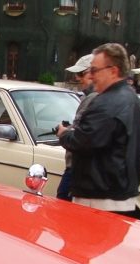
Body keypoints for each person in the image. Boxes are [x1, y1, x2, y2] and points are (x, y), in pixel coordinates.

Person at [57, 43, 140, 217]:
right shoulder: (137, 102)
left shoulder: (105, 103)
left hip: (99, 197)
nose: (91, 76)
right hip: (122, 193)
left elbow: (83, 141)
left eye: (94, 70)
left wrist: (64, 134)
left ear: (113, 71)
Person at [56, 53, 97, 201]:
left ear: (93, 73)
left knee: (61, 208)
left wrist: (63, 133)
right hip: (89, 172)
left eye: (81, 73)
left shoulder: (93, 98)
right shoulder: (110, 98)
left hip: (77, 168)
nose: (77, 78)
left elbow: (80, 137)